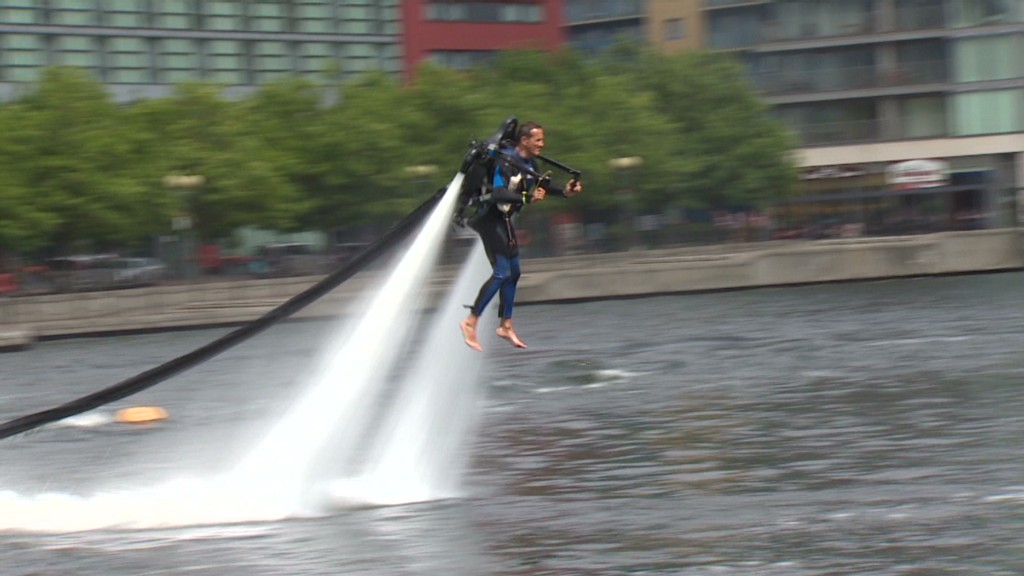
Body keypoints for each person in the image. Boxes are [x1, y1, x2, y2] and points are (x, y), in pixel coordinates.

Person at [459, 121, 583, 351]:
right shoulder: (505, 160)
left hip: (503, 221)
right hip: (489, 219)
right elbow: (498, 193)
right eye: (537, 140)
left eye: (542, 140)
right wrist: (526, 198)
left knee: (514, 272)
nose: (542, 144)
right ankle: (470, 322)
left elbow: (541, 186)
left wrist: (565, 192)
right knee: (501, 272)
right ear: (524, 140)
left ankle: (506, 325)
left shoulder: (529, 163)